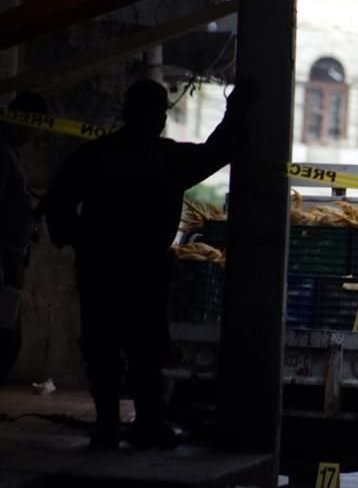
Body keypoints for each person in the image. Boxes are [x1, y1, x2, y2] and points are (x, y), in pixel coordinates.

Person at [45, 79, 249, 450]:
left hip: (101, 269)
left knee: (103, 347)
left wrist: (81, 239)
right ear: (158, 118)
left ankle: (109, 427)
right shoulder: (166, 158)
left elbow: (56, 203)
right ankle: (147, 425)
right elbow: (218, 151)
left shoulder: (96, 155)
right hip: (143, 272)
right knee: (144, 350)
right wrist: (236, 109)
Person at [0, 91, 47, 386]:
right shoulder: (2, 153)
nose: (33, 135)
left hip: (11, 255)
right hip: (5, 259)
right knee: (6, 335)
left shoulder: (9, 152)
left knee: (8, 333)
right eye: (33, 127)